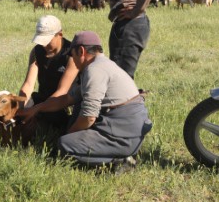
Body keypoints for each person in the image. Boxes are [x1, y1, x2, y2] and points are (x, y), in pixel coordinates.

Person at [25, 31, 152, 172]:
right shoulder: (100, 65)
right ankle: (118, 151)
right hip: (126, 127)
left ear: (81, 51)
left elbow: (89, 117)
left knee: (65, 145)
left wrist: (70, 134)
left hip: (124, 131)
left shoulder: (94, 70)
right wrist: (37, 108)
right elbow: (67, 99)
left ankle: (121, 159)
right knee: (78, 108)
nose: (72, 60)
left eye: (72, 55)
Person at [16, 15, 79, 132]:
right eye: (41, 41)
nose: (44, 45)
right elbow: (28, 84)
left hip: (63, 103)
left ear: (60, 34)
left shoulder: (71, 54)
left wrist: (36, 110)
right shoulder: (36, 51)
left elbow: (62, 91)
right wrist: (21, 109)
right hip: (43, 98)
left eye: (47, 41)